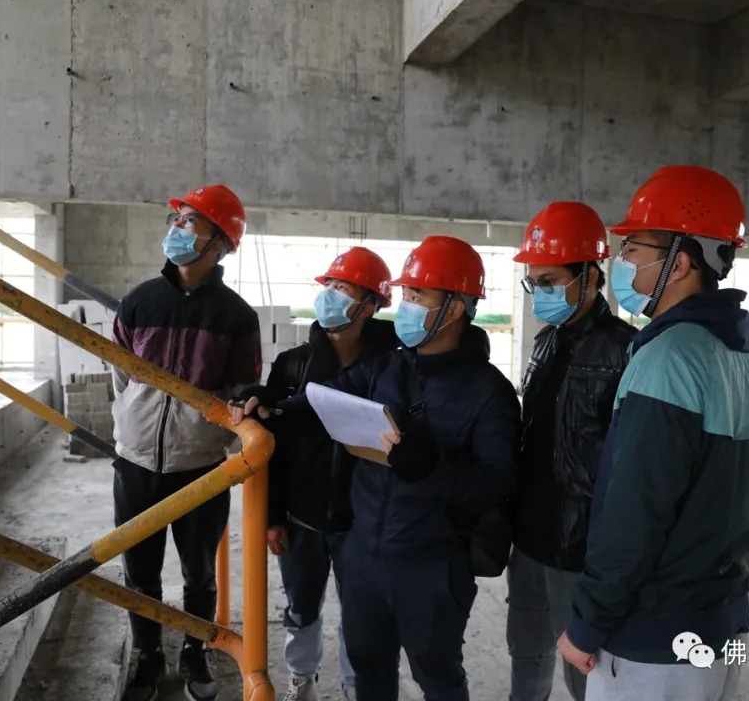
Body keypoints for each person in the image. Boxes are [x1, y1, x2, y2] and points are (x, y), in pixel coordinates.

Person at [233, 236, 521, 701]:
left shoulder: (490, 392)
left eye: (417, 295)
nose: (405, 305)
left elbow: (497, 481)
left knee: (438, 678)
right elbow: (324, 400)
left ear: (454, 309)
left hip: (431, 566)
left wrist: (432, 467)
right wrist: (272, 407)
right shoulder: (386, 368)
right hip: (364, 557)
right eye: (405, 294)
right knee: (368, 673)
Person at [556, 166, 749, 701]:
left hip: (654, 634)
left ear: (678, 263)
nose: (622, 260)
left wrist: (588, 621)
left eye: (634, 248)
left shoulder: (669, 358)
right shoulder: (739, 355)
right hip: (715, 618)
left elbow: (636, 510)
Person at [111, 184, 262, 701]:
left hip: (200, 466)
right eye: (178, 220)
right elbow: (121, 374)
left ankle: (196, 650)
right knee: (139, 570)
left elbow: (242, 389)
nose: (177, 229)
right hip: (135, 462)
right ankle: (148, 653)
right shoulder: (139, 301)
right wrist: (135, 422)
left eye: (191, 222)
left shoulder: (236, 316)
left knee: (199, 573)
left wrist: (205, 432)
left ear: (219, 243)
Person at [506, 202, 635, 701]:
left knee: (585, 671)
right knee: (527, 653)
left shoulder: (627, 350)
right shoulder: (545, 343)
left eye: (550, 281)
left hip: (581, 549)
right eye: (533, 283)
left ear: (591, 276)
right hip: (530, 540)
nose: (540, 293)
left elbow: (630, 464)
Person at [261, 247, 399, 701]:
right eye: (330, 286)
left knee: (362, 612)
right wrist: (272, 515)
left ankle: (355, 685)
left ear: (370, 305)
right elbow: (273, 448)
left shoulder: (393, 366)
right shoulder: (292, 364)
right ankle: (301, 678)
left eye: (345, 289)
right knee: (301, 607)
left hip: (364, 521)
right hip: (302, 517)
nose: (330, 296)